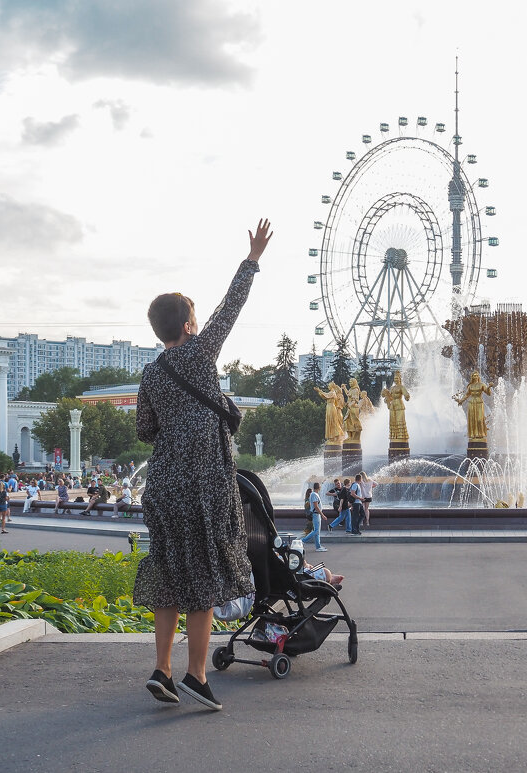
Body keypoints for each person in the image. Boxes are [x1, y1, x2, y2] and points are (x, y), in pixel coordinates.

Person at [133, 217, 270, 711]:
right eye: (195, 316)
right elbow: (231, 309)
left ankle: (162, 671)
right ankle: (196, 676)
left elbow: (144, 431)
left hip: (164, 486)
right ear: (189, 326)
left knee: (169, 575)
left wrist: (175, 421)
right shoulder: (198, 355)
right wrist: (251, 261)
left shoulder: (150, 374)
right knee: (205, 579)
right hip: (203, 483)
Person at [299, 481, 327, 552]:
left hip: (316, 514)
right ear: (319, 487)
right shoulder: (314, 494)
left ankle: (318, 547)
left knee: (317, 532)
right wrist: (322, 515)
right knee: (316, 531)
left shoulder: (314, 494)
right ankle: (302, 541)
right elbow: (316, 506)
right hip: (316, 514)